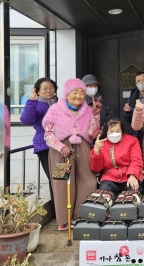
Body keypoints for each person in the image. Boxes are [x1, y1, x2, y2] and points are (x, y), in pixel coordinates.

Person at [42, 78, 102, 231]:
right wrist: (61, 147)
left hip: (82, 147)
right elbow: (48, 135)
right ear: (67, 93)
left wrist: (95, 115)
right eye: (75, 92)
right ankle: (63, 219)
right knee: (62, 183)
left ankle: (79, 216)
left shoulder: (88, 110)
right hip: (60, 150)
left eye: (82, 92)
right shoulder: (55, 109)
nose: (79, 96)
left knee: (88, 181)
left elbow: (93, 133)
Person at [20, 77, 57, 210]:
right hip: (45, 145)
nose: (48, 90)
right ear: (38, 91)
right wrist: (31, 102)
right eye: (45, 88)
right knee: (54, 178)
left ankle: (62, 208)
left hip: (61, 146)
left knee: (62, 176)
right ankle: (57, 209)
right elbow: (26, 120)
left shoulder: (58, 103)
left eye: (51, 88)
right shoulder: (36, 103)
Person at [90, 118, 143, 197]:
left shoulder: (132, 141)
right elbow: (96, 168)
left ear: (122, 131)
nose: (115, 133)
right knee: (104, 197)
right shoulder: (101, 144)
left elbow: (136, 160)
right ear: (106, 132)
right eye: (111, 131)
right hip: (109, 178)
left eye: (117, 131)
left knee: (132, 196)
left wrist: (133, 175)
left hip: (128, 176)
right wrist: (96, 150)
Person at [123, 71, 144, 146]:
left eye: (143, 80)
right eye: (138, 81)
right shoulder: (133, 98)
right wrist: (128, 112)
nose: (141, 83)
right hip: (139, 134)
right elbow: (129, 120)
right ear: (136, 84)